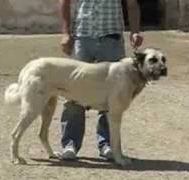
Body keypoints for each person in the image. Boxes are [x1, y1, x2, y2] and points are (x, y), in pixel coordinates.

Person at [59, 0, 143, 160]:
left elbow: (132, 4)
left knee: (113, 95)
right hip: (82, 38)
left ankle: (107, 144)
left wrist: (135, 31)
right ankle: (70, 144)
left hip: (111, 39)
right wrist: (65, 33)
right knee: (73, 93)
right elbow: (65, 2)